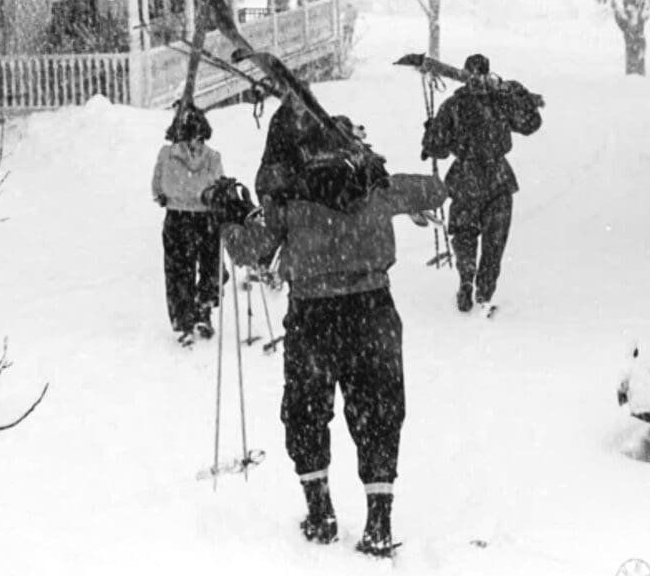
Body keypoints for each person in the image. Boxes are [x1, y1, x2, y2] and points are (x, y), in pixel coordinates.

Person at [223, 110, 446, 558]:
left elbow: (251, 249)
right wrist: (375, 166)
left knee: (306, 410)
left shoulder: (291, 196)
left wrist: (230, 217)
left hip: (313, 317)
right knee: (379, 412)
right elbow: (435, 190)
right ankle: (379, 522)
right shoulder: (376, 186)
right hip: (373, 310)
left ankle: (321, 512)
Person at [421, 53, 543, 313]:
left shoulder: (453, 105)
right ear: (488, 73)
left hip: (465, 178)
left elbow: (436, 148)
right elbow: (531, 125)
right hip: (498, 179)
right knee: (494, 242)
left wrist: (431, 130)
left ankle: (466, 277)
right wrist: (523, 99)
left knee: (464, 234)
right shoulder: (501, 101)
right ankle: (484, 292)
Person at [151, 105, 224, 345]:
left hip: (178, 216)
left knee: (178, 270)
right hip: (205, 218)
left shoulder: (167, 155)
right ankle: (203, 309)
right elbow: (219, 186)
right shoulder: (213, 157)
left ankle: (184, 318)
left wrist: (167, 196)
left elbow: (157, 187)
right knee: (209, 265)